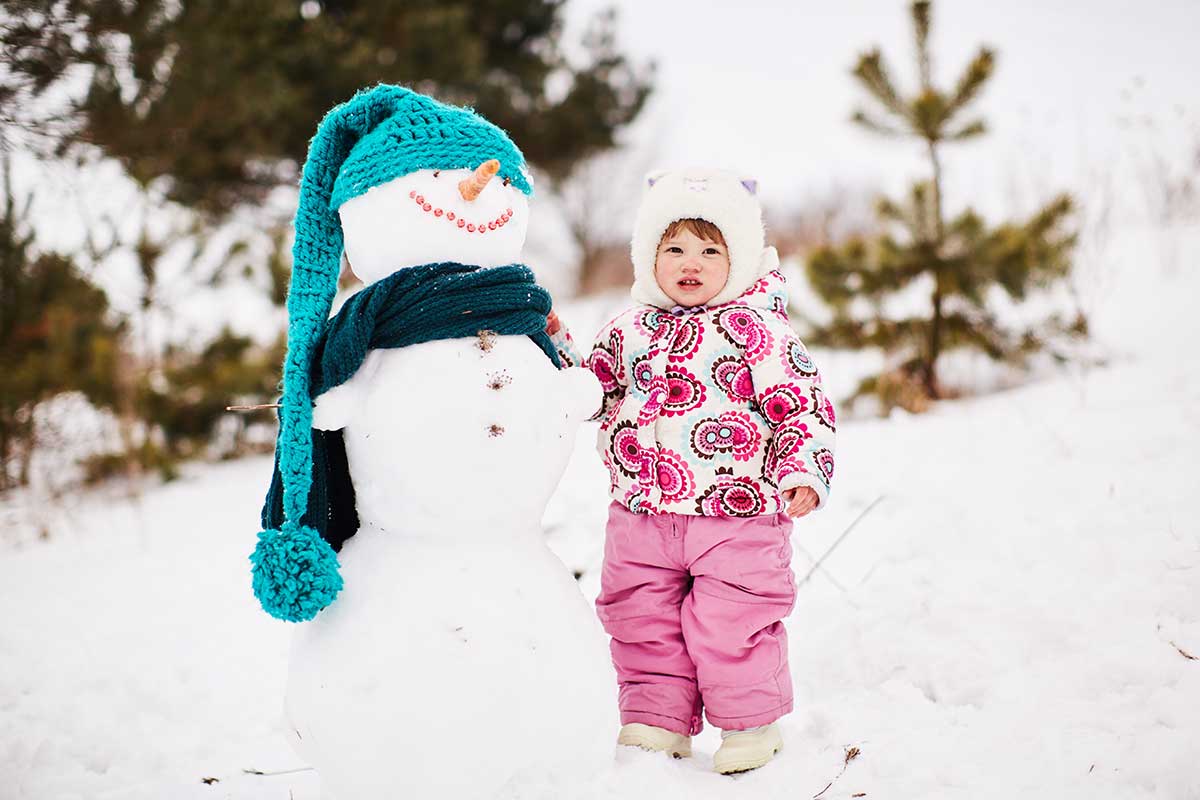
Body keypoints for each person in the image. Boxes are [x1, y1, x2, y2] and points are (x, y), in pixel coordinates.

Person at [584, 168, 837, 774]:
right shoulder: (627, 329)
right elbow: (586, 389)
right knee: (640, 618)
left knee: (733, 622)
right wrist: (551, 360)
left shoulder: (757, 329)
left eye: (709, 248)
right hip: (641, 513)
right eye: (672, 248)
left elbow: (801, 402)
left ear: (739, 257)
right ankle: (655, 722)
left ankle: (751, 727)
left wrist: (801, 468)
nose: (689, 262)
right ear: (649, 256)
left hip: (740, 514)